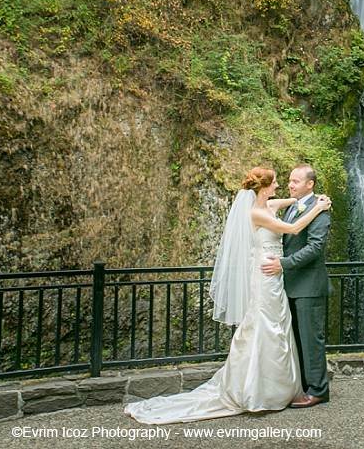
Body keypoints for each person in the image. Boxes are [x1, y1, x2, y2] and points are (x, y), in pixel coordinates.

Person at [124, 168, 331, 424]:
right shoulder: (257, 212)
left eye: (291, 181)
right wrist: (317, 207)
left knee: (280, 329)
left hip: (279, 277)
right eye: (279, 181)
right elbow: (294, 228)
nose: (284, 185)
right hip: (268, 275)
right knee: (264, 326)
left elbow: (294, 205)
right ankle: (258, 388)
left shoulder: (271, 204)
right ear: (263, 187)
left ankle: (290, 386)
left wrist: (313, 200)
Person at [261, 164, 331, 408]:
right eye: (289, 181)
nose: (290, 185)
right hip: (290, 285)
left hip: (309, 286)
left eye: (295, 181)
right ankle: (303, 386)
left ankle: (318, 390)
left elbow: (314, 248)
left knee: (312, 340)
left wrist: (283, 264)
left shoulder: (320, 210)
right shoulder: (293, 206)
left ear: (309, 184)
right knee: (298, 340)